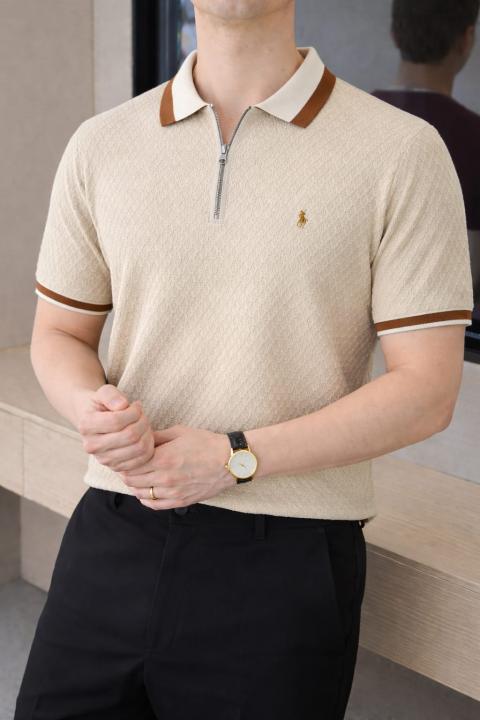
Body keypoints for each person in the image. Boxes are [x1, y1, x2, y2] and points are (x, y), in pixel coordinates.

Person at [14, 1, 474, 718]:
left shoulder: (402, 151)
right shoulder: (100, 145)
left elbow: (428, 390)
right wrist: (88, 407)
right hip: (114, 525)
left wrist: (234, 456)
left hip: (286, 560)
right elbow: (60, 335)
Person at [371, 0, 480, 326]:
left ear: (394, 33)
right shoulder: (474, 138)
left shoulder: (341, 123)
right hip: (452, 336)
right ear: (466, 40)